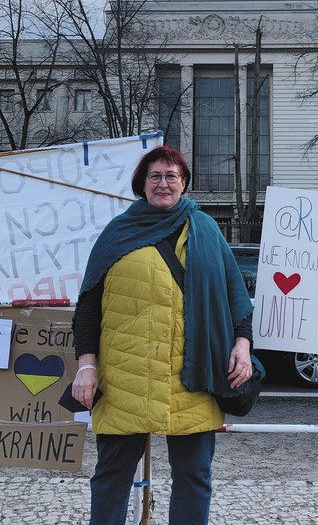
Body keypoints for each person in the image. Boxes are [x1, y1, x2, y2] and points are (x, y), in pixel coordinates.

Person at [72, 145, 254, 525]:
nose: (163, 183)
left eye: (172, 176)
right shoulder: (116, 234)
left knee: (194, 478)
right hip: (126, 379)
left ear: (184, 183)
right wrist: (86, 366)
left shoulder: (205, 229)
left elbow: (236, 295)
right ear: (142, 183)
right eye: (155, 176)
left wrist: (242, 343)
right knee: (111, 478)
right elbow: (88, 306)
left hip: (193, 379)